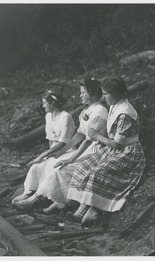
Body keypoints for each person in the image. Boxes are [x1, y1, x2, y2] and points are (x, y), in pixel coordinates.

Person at [12, 78, 108, 212]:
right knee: (50, 162)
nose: (80, 95)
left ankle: (40, 199)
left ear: (90, 92)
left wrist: (70, 159)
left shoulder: (100, 111)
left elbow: (88, 140)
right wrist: (62, 152)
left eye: (82, 92)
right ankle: (35, 193)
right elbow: (79, 135)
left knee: (61, 169)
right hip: (86, 148)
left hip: (95, 151)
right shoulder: (88, 110)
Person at [66, 76, 146, 227]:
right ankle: (82, 210)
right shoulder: (115, 106)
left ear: (116, 94)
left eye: (106, 94)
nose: (103, 97)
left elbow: (117, 144)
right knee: (83, 168)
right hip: (113, 148)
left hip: (128, 152)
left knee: (98, 173)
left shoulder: (125, 113)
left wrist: (97, 136)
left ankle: (91, 211)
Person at [11, 89, 76, 204]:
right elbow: (51, 139)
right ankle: (28, 192)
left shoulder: (66, 117)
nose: (43, 106)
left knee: (53, 169)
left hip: (67, 150)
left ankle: (38, 196)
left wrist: (44, 155)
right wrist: (47, 155)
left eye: (45, 103)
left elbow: (63, 142)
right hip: (53, 150)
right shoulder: (48, 116)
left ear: (53, 103)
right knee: (37, 166)